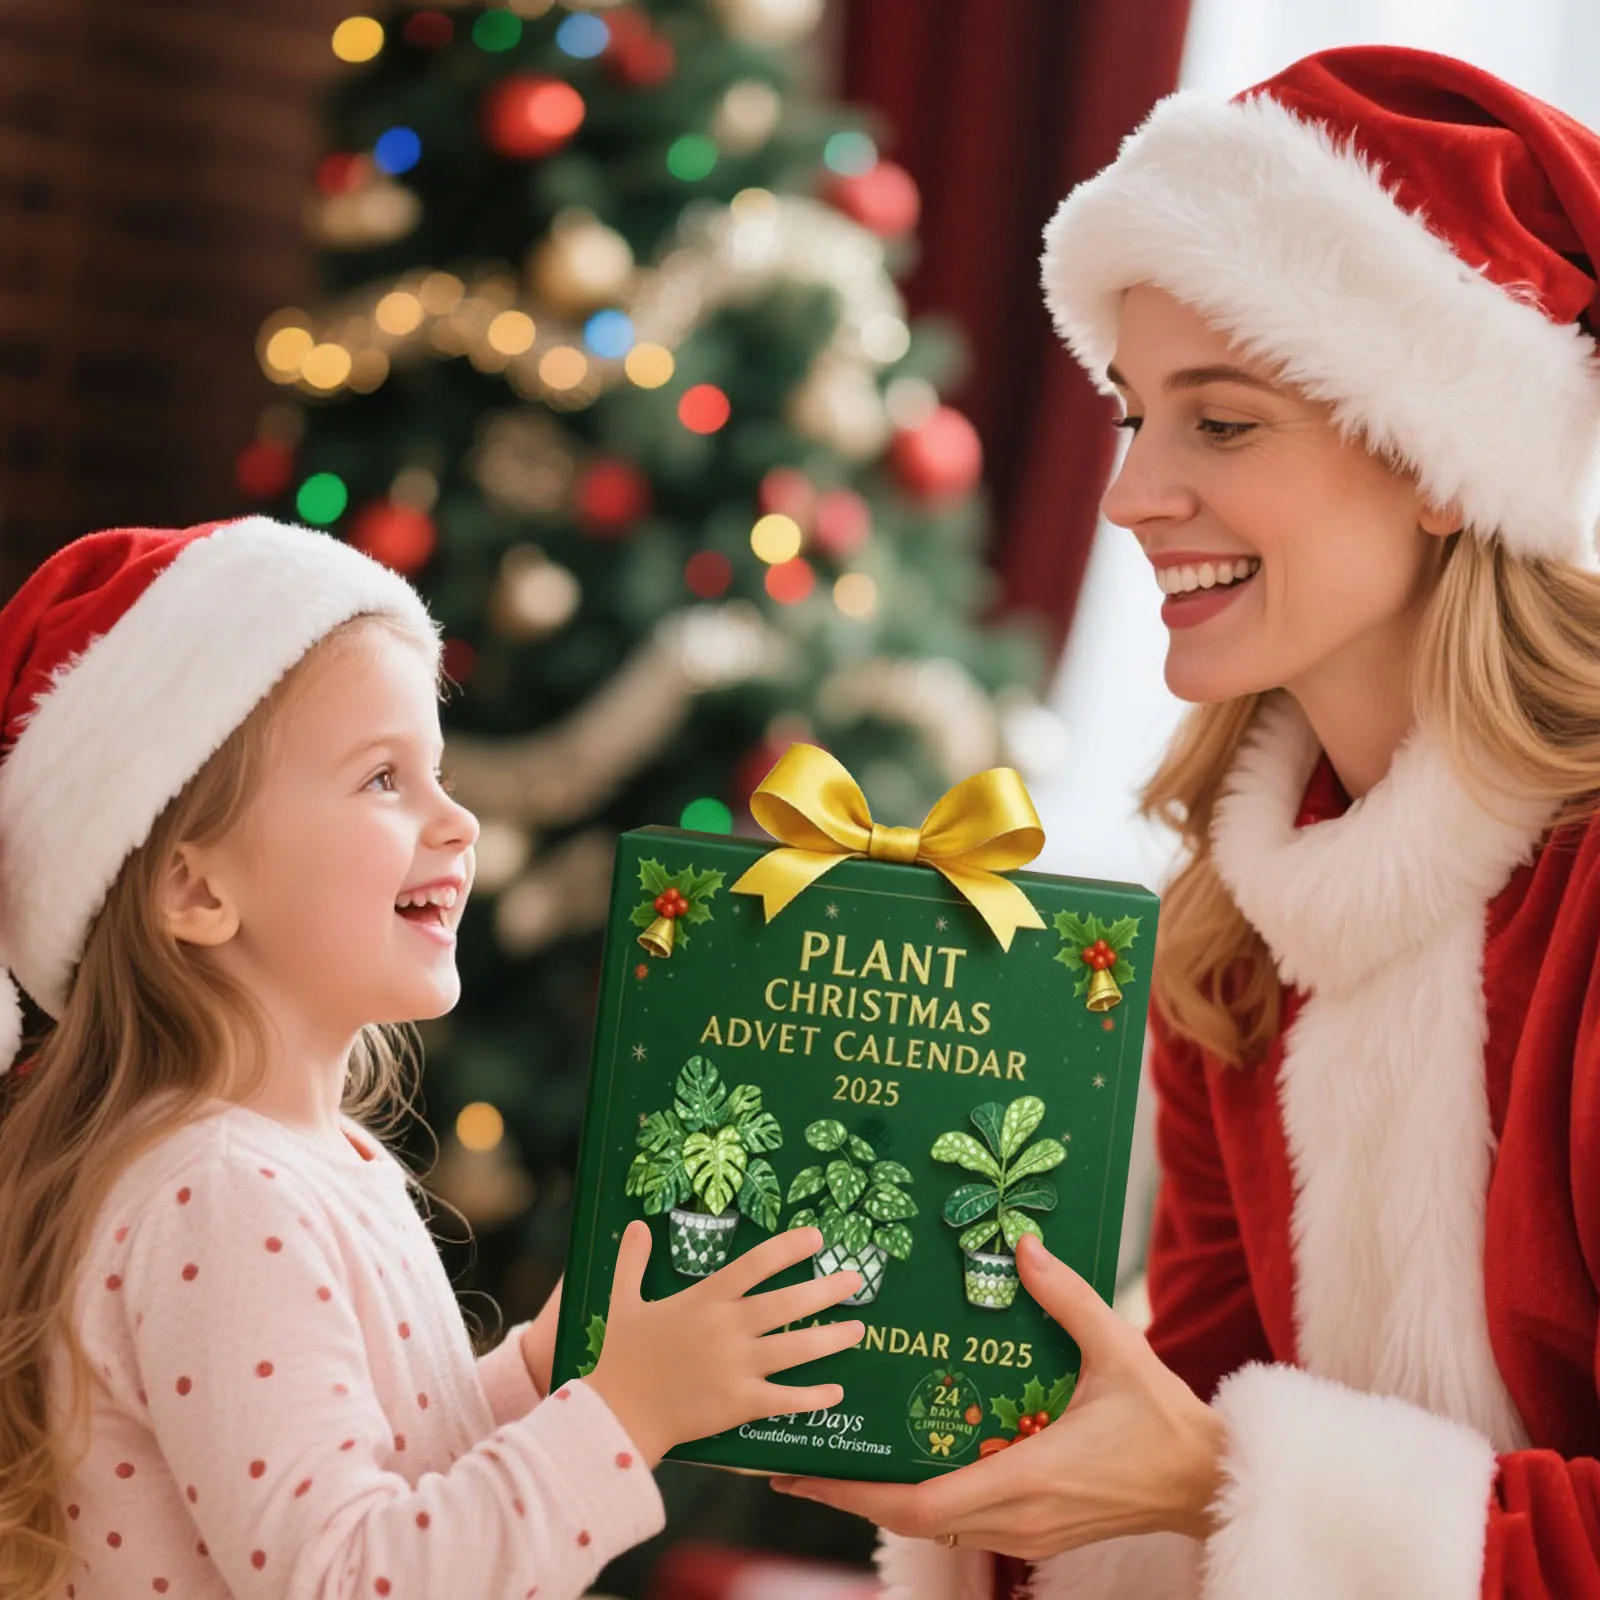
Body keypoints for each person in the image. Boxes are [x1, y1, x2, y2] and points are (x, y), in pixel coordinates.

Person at [769, 43, 1600, 1600]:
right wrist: (980, 1482)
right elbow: (1192, 1420)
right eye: (1132, 413)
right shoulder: (1240, 920)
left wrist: (1231, 1486)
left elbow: (1218, 1469)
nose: (1129, 495)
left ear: (1437, 460)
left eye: (1221, 424)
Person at [0, 517, 868, 1600]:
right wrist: (626, 1414)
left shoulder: (310, 1161)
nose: (457, 820)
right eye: (381, 779)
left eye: (439, 770)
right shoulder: (219, 1191)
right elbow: (355, 1576)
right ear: (197, 888)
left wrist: (538, 1377)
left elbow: (393, 1463)